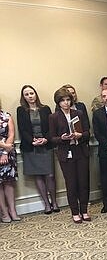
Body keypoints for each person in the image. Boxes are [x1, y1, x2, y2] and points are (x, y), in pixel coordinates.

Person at [49, 87, 91, 224]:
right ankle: (75, 212)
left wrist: (80, 135)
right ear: (58, 102)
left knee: (84, 182)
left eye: (68, 100)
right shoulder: (53, 117)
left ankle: (84, 210)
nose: (66, 103)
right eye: (63, 100)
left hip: (81, 151)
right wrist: (62, 138)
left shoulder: (79, 113)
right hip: (66, 154)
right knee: (71, 184)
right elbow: (52, 138)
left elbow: (87, 133)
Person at [17, 85, 60, 214]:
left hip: (46, 145)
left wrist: (46, 138)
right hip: (31, 147)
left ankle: (55, 202)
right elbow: (22, 129)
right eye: (27, 94)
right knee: (39, 176)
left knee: (50, 175)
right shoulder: (21, 110)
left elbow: (51, 127)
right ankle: (46, 204)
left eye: (32, 93)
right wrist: (32, 140)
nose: (30, 96)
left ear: (36, 94)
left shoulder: (45, 109)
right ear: (23, 97)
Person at [0, 105, 20, 223]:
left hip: (7, 154)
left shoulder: (6, 116)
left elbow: (11, 135)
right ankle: (4, 212)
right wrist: (4, 146)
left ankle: (13, 211)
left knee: (9, 182)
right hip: (6, 147)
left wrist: (4, 152)